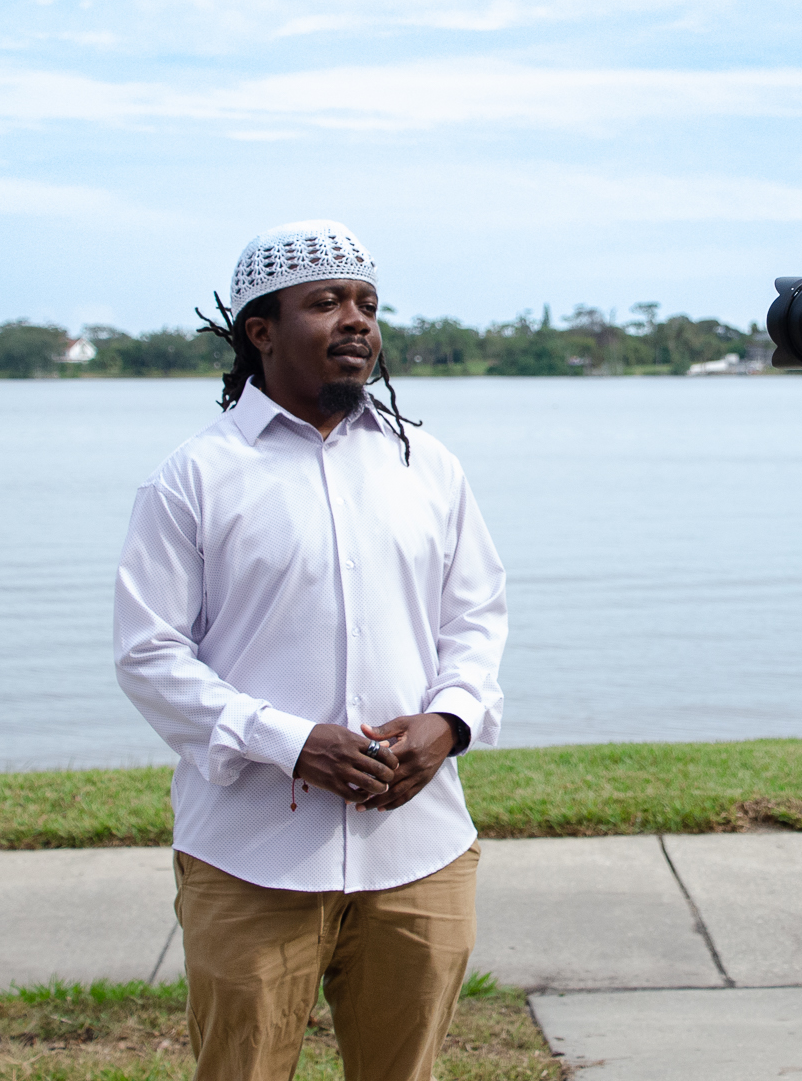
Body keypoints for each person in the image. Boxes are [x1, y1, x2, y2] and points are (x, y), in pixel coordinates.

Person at [114, 219, 507, 1081]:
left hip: (419, 850)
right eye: (325, 301)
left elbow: (477, 618)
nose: (356, 320)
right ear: (260, 330)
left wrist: (448, 723)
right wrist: (289, 741)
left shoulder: (427, 465)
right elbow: (149, 655)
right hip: (251, 856)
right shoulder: (194, 477)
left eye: (367, 302)